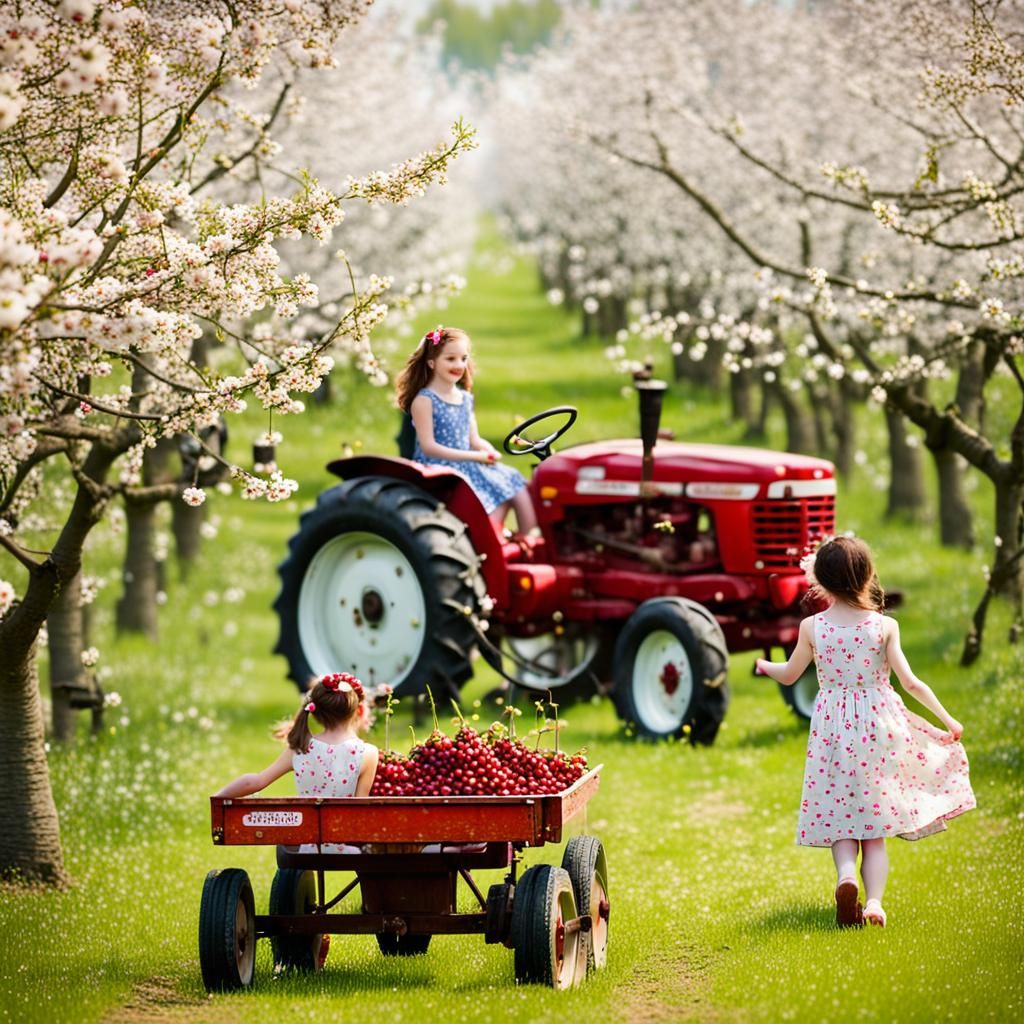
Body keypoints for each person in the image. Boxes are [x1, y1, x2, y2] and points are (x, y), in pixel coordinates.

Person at [755, 536, 975, 929]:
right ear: (867, 576)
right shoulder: (884, 626)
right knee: (873, 829)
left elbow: (790, 675)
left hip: (833, 731)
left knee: (842, 818)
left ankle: (845, 877)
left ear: (819, 580)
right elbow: (911, 684)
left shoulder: (813, 627)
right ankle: (873, 904)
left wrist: (765, 665)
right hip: (879, 730)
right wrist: (948, 719)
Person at [395, 325, 538, 536]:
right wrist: (474, 456)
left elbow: (474, 439)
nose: (459, 365)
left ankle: (523, 537)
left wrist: (489, 452)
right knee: (486, 495)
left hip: (467, 461)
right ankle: (487, 538)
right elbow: (429, 447)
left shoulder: (464, 399)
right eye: (451, 359)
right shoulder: (424, 400)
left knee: (513, 480)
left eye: (463, 358)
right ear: (432, 362)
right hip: (439, 466)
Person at [215, 671, 379, 834]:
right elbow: (360, 809)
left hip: (305, 848)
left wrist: (218, 798)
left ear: (316, 713)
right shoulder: (368, 753)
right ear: (358, 711)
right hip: (345, 849)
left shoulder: (301, 747)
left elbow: (256, 782)